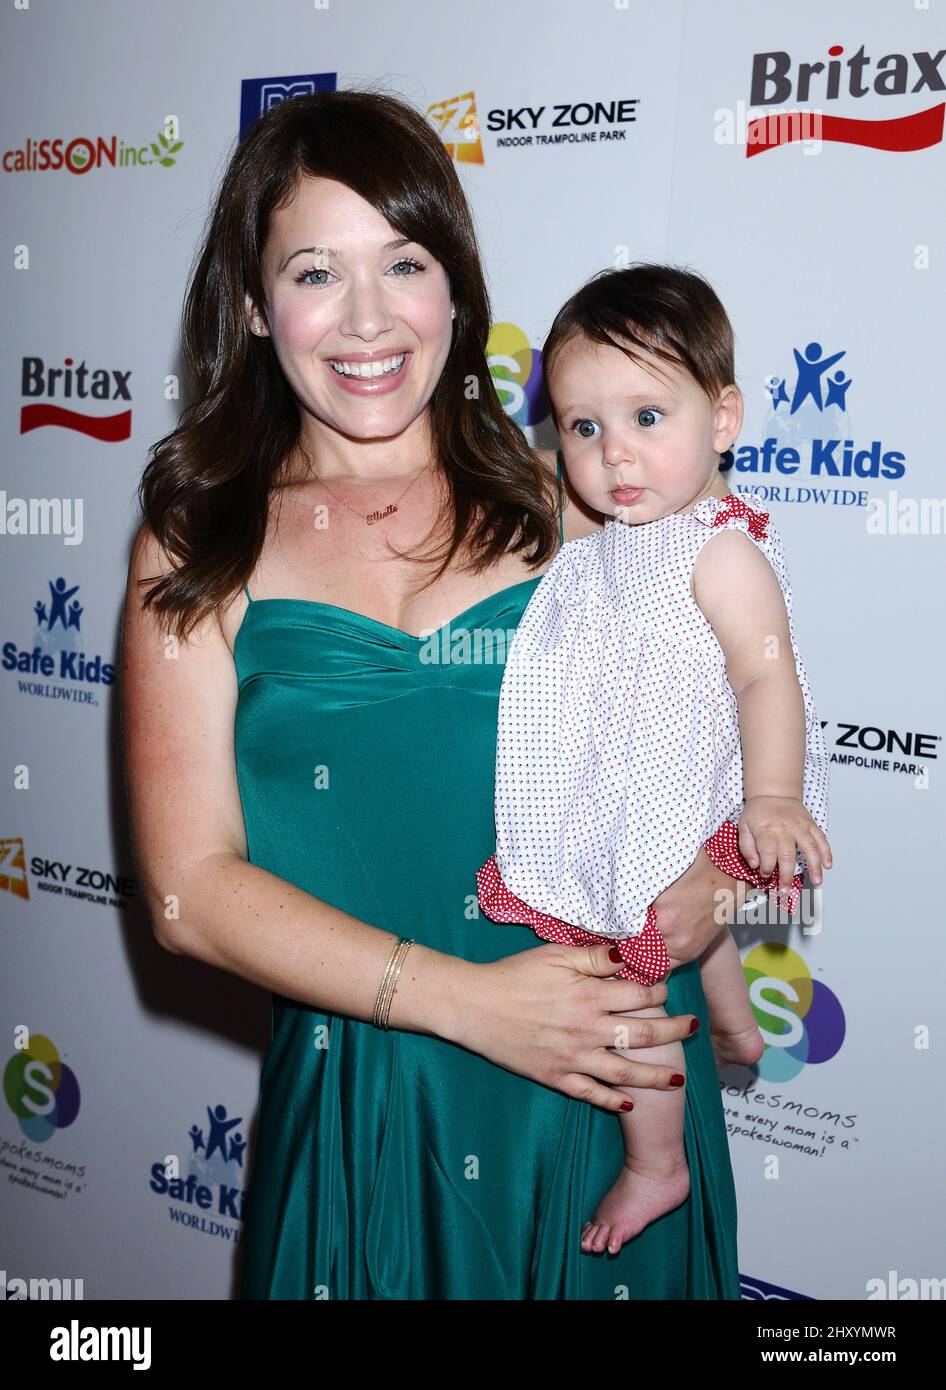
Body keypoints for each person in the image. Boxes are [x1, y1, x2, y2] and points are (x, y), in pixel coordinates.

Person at [120, 89, 749, 1300]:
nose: (368, 320)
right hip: (373, 1099)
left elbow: (722, 748)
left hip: (603, 1095)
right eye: (315, 271)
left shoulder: (573, 501)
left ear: (454, 289)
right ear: (253, 304)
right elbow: (191, 894)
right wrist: (464, 1003)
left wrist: (708, 885)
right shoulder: (198, 540)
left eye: (403, 263)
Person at [477, 264, 832, 1256]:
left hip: (696, 784)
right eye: (583, 428)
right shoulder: (613, 537)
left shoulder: (719, 550)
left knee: (625, 973)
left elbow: (767, 676)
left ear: (723, 419)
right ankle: (733, 1029)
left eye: (644, 415)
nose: (612, 453)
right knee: (673, 922)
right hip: (640, 781)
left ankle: (655, 1161)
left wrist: (770, 797)